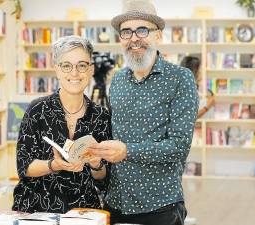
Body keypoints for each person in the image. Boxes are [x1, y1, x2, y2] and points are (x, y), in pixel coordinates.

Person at [88, 1, 199, 225]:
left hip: (160, 206)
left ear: (158, 35)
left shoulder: (181, 79)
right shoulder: (117, 80)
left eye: (142, 30)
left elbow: (179, 147)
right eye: (126, 32)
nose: (134, 38)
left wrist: (127, 151)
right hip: (116, 202)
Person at [12, 35, 111, 213]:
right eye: (66, 65)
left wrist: (97, 164)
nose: (74, 73)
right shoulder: (37, 110)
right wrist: (53, 165)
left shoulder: (102, 116)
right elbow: (24, 167)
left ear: (91, 70)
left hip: (83, 213)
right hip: (37, 211)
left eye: (82, 65)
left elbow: (103, 179)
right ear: (57, 70)